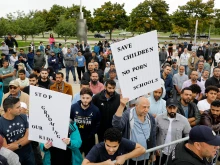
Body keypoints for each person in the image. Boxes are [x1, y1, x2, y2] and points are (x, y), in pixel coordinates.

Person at [112, 97, 156, 164]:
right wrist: (121, 106)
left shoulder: (150, 117)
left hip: (145, 155)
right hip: (130, 156)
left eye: (148, 107)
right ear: (136, 106)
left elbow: (153, 136)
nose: (146, 110)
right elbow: (116, 126)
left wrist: (153, 153)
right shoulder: (128, 115)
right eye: (144, 107)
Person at [155, 98, 191, 165]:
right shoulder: (158, 118)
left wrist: (183, 148)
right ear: (166, 107)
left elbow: (188, 135)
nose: (172, 110)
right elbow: (154, 134)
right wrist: (155, 147)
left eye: (174, 108)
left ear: (177, 108)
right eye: (170, 108)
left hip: (176, 153)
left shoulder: (184, 120)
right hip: (160, 152)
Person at [0, 97, 35, 164]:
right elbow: (6, 148)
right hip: (13, 158)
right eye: (18, 107)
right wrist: (24, 139)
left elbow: (30, 136)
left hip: (28, 154)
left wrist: (17, 145)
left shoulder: (24, 117)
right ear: (9, 110)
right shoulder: (1, 123)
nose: (21, 109)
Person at [70, 87, 100, 156]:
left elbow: (97, 124)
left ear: (91, 98)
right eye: (83, 98)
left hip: (89, 140)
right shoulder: (73, 107)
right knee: (76, 158)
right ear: (80, 97)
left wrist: (91, 134)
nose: (85, 100)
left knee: (89, 158)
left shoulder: (95, 110)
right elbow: (70, 121)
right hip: (76, 138)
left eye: (87, 98)